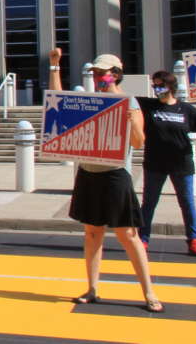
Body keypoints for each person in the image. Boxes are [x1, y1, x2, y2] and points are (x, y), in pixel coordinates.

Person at [48, 48, 162, 313]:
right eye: (96, 72)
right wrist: (55, 67)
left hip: (115, 175)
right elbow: (57, 100)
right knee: (92, 233)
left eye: (103, 72)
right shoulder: (91, 101)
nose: (98, 76)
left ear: (116, 74)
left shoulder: (130, 103)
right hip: (89, 173)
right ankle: (92, 288)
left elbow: (139, 142)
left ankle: (149, 292)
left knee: (128, 235)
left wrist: (133, 123)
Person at [136, 69, 196, 256]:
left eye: (161, 85)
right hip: (155, 164)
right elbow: (121, 97)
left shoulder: (186, 109)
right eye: (155, 85)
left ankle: (194, 240)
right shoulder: (148, 106)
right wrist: (109, 78)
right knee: (149, 203)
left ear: (171, 87)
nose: (157, 88)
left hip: (182, 164)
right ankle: (142, 239)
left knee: (187, 203)